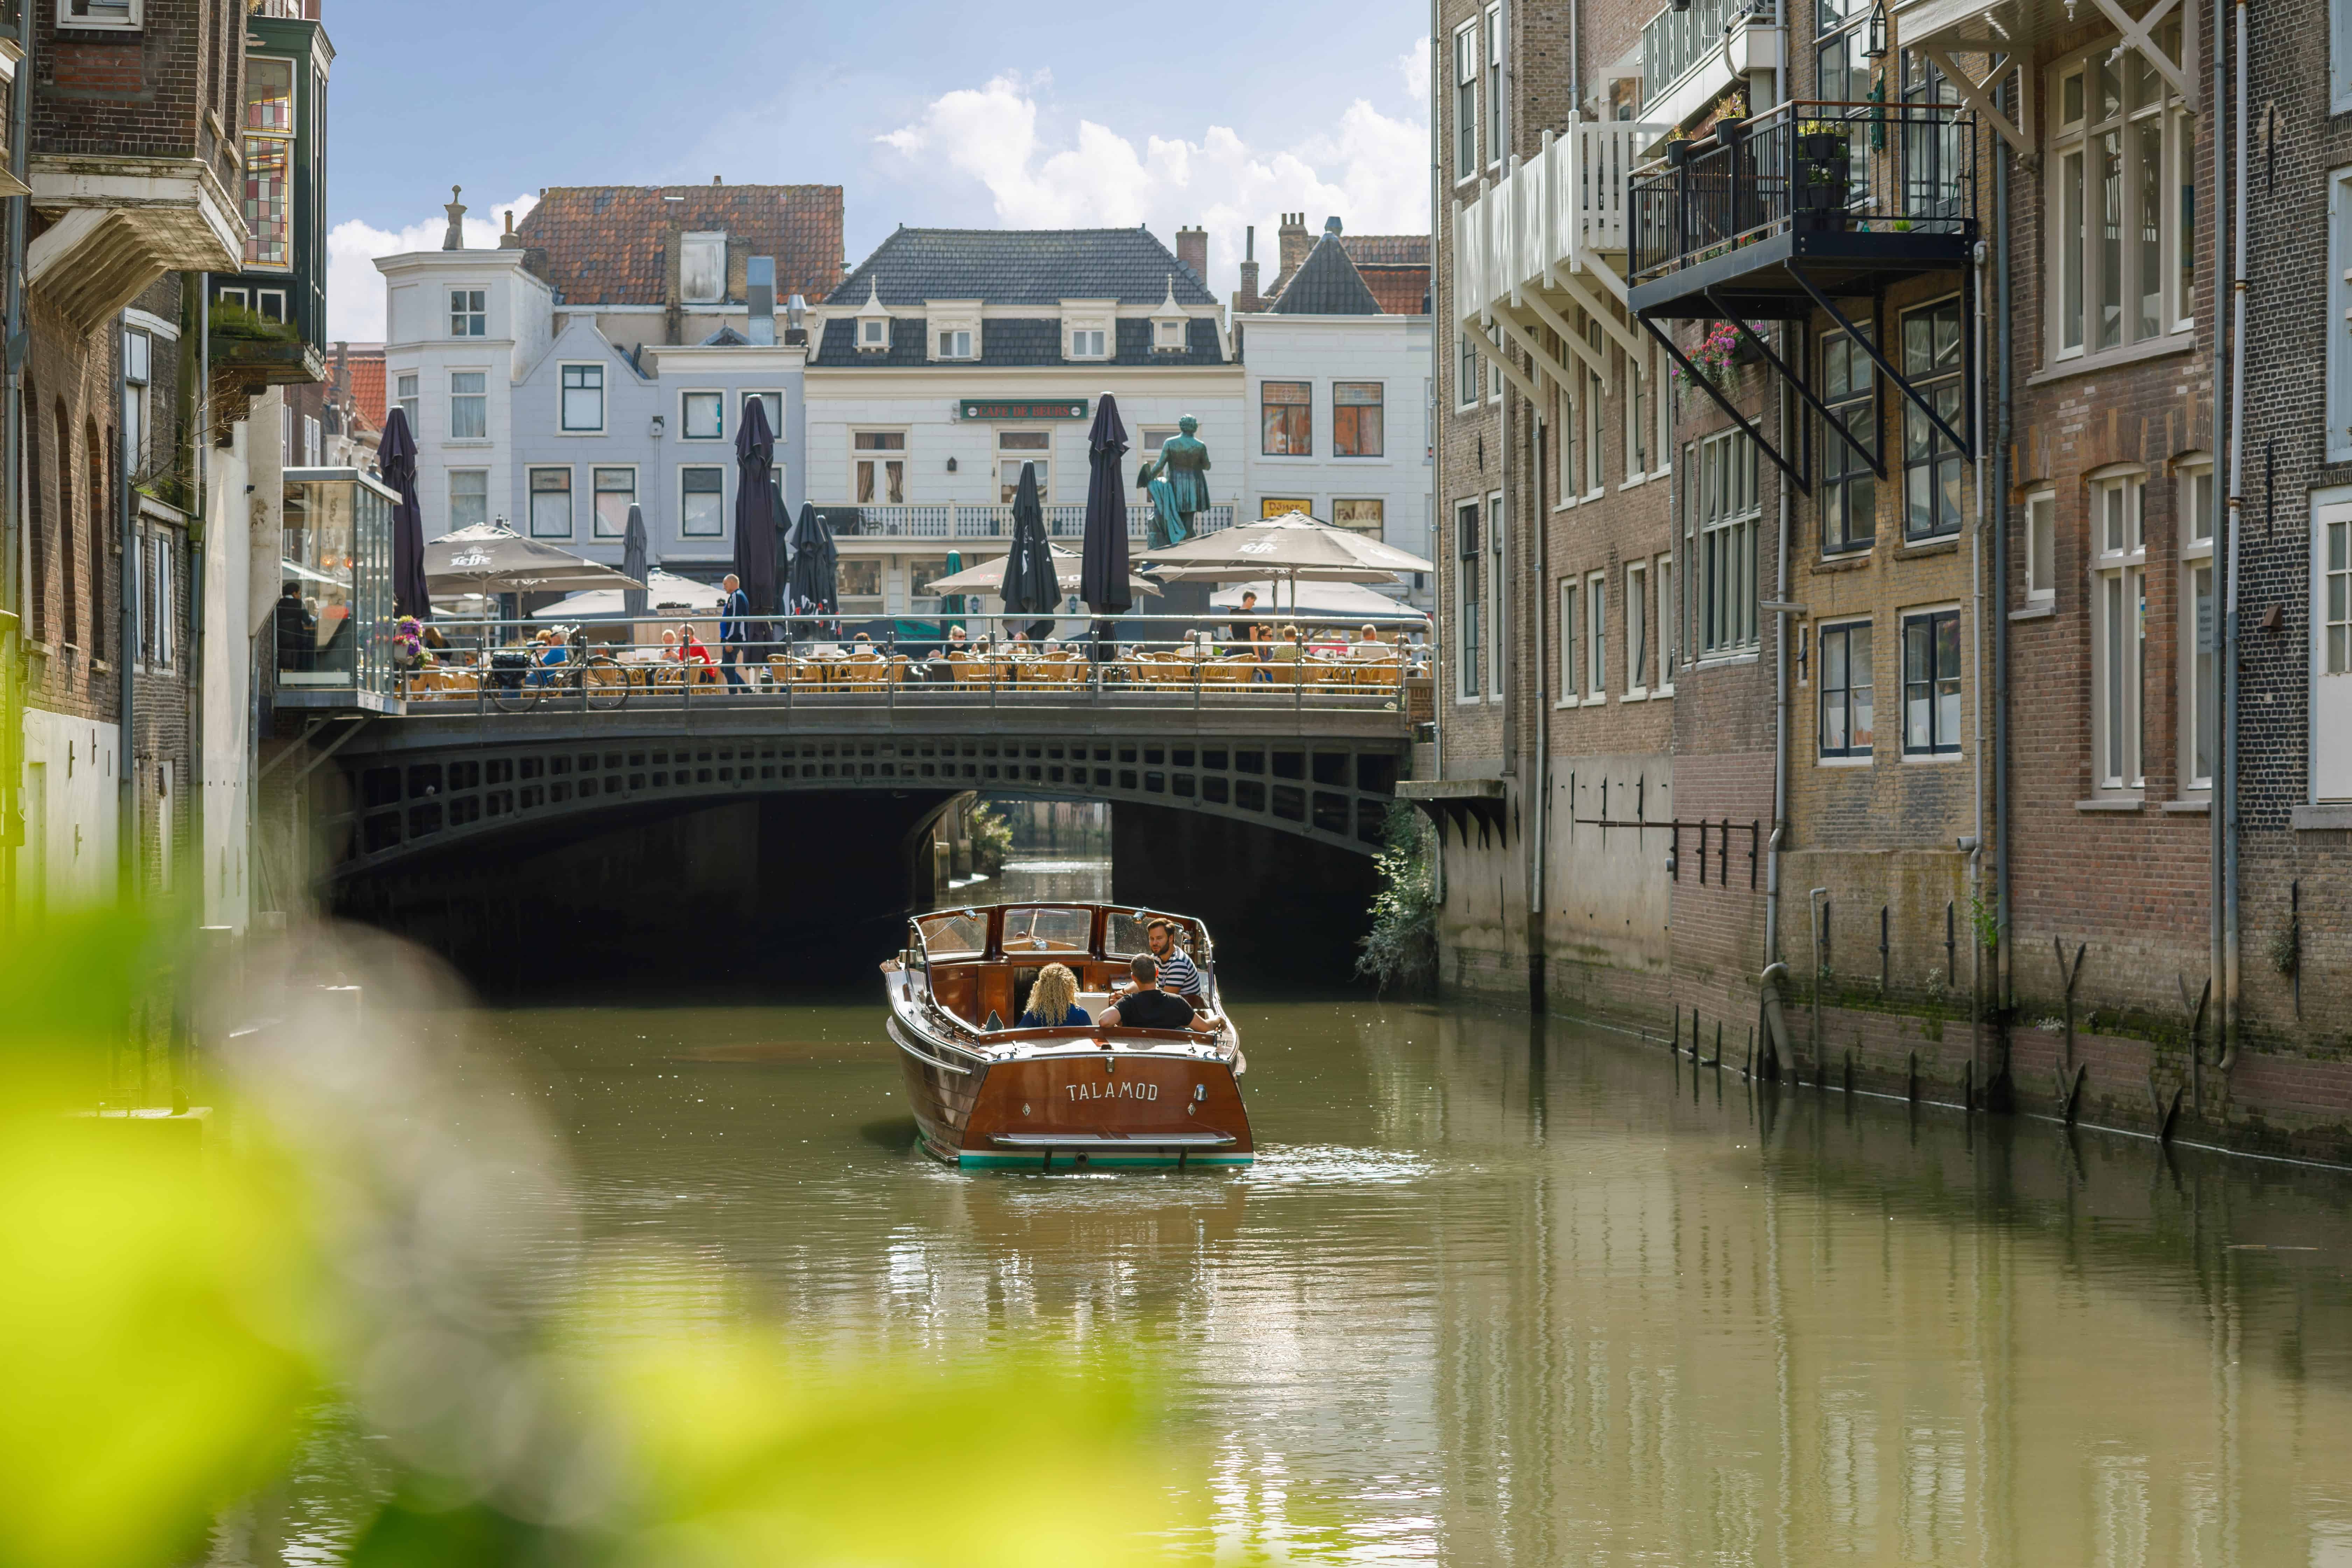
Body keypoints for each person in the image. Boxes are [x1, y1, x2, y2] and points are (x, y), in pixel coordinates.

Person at [1099, 955, 1200, 1031]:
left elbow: (1104, 1021)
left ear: (1134, 978)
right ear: (1157, 972)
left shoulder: (1128, 1002)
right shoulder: (1178, 1001)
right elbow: (1205, 1027)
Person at [1017, 963, 1091, 1030]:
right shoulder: (1081, 1014)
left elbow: (1018, 1035)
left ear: (1042, 988)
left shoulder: (1034, 1014)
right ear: (1069, 987)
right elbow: (1091, 1037)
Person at [1144, 919, 1203, 999]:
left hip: (1183, 1006)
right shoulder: (1157, 956)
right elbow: (1142, 981)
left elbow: (1166, 1000)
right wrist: (1126, 993)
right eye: (1152, 939)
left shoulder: (1178, 963)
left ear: (1171, 938)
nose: (1155, 943)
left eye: (1159, 938)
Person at [718, 572, 750, 690]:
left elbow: (736, 619)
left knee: (728, 668)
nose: (724, 587)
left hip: (732, 638)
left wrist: (730, 640)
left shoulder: (736, 596)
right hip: (733, 637)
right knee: (725, 667)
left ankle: (734, 696)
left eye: (725, 584)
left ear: (732, 583)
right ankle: (746, 690)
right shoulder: (738, 596)